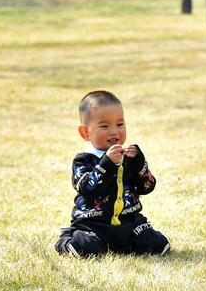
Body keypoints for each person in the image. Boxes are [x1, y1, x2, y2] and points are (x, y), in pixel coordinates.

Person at [54, 90, 170, 257]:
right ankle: (67, 239)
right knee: (85, 248)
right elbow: (88, 189)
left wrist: (139, 164)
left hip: (129, 222)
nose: (114, 131)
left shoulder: (129, 158)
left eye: (120, 124)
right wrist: (107, 163)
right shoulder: (83, 161)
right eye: (104, 126)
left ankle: (127, 243)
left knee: (158, 245)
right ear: (85, 133)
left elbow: (147, 187)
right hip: (93, 224)